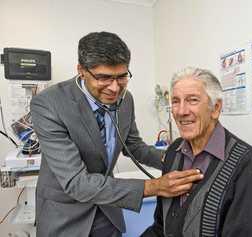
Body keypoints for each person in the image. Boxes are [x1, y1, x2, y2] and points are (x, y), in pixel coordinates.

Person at [30, 32, 203, 237]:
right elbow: (77, 183)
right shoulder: (49, 104)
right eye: (103, 77)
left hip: (108, 209)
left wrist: (174, 158)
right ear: (81, 71)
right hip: (65, 214)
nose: (114, 88)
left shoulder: (125, 99)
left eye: (121, 76)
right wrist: (154, 186)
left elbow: (133, 146)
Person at [142, 67, 252, 237]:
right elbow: (160, 227)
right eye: (176, 101)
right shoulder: (173, 152)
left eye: (192, 100)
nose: (181, 111)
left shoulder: (246, 162)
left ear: (215, 108)